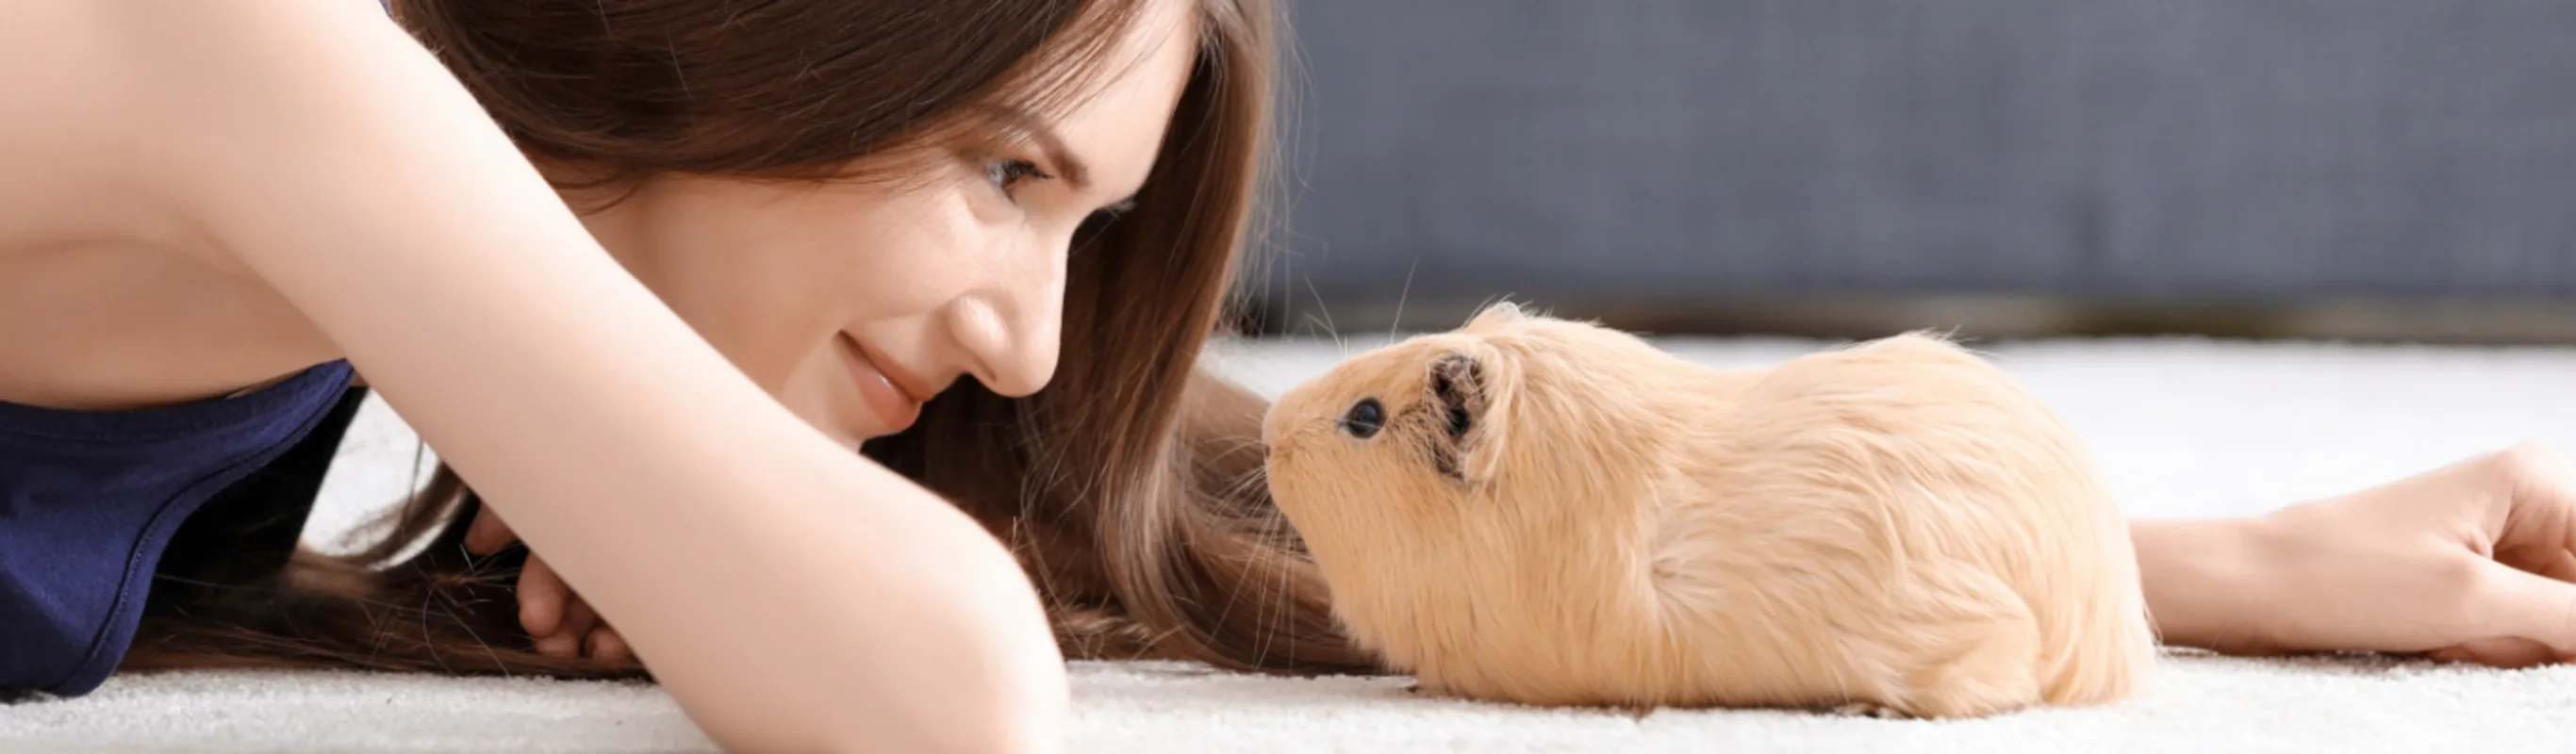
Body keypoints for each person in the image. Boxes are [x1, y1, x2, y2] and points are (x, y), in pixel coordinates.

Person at [1, 0, 2570, 748]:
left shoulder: (333, 238)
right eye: (1003, 170)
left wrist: (2157, 559)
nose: (1018, 333)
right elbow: (934, 693)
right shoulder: (235, 45)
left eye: (1084, 231)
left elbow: (1161, 501)